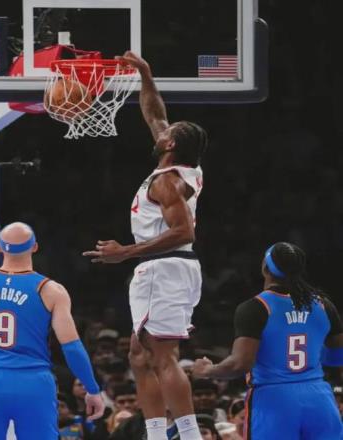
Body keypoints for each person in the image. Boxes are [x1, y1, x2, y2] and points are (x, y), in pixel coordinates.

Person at [83, 51, 207, 440]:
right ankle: (155, 433)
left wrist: (125, 252)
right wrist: (146, 75)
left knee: (163, 356)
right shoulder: (178, 166)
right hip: (164, 268)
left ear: (170, 143)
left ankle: (188, 435)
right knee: (138, 355)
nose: (161, 127)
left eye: (169, 130)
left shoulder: (168, 182)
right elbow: (155, 114)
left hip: (165, 266)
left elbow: (184, 232)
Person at [0, 222, 104, 440]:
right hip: (33, 382)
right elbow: (72, 347)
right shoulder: (50, 290)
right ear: (35, 247)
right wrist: (92, 389)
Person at [193, 242, 343, 439]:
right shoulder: (323, 304)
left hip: (274, 399)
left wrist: (207, 370)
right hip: (319, 398)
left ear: (265, 267)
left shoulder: (256, 307)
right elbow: (338, 357)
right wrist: (311, 356)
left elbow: (240, 364)